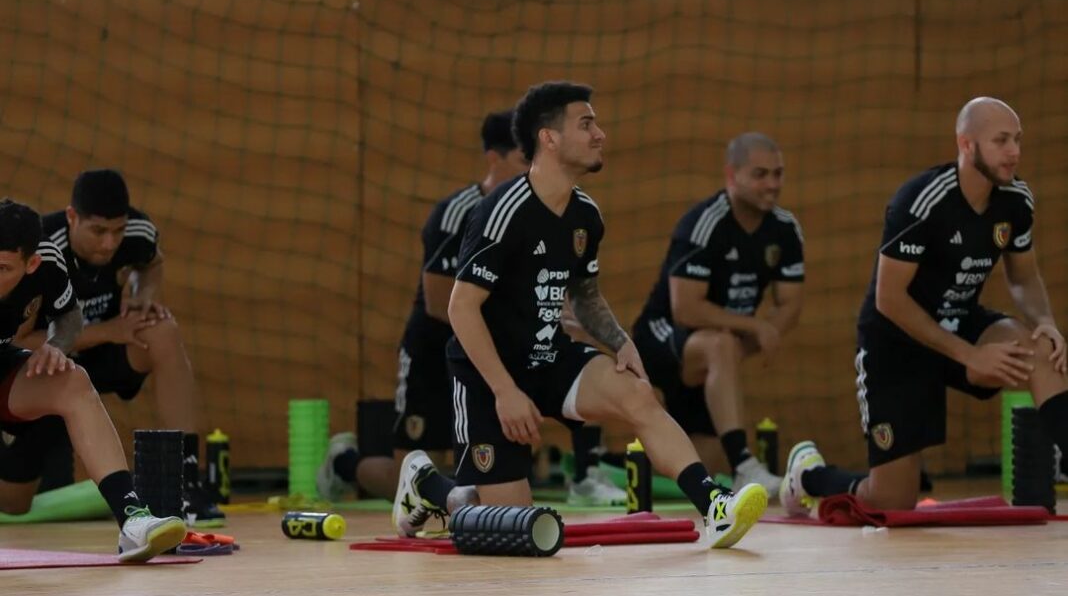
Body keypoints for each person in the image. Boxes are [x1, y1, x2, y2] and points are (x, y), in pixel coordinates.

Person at [391, 81, 767, 549]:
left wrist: (621, 342)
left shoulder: (586, 215)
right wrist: (505, 392)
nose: (600, 134)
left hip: (550, 357)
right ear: (549, 138)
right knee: (515, 529)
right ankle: (430, 487)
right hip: (489, 377)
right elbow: (460, 307)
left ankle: (714, 506)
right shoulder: (501, 212)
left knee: (638, 395)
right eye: (586, 124)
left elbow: (585, 294)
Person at [317, 110, 625, 507]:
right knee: (413, 465)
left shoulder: (546, 210)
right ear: (494, 159)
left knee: (576, 362)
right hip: (435, 346)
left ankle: (585, 473)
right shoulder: (459, 210)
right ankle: (344, 463)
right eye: (521, 159)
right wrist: (512, 324)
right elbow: (437, 299)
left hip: (496, 349)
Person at [781, 97, 1068, 515]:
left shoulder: (1016, 199)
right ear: (967, 145)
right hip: (897, 341)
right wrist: (970, 355)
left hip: (959, 321)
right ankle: (807, 477)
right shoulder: (921, 201)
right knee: (892, 502)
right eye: (1002, 140)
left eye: (1018, 140)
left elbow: (1023, 277)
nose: (1015, 152)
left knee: (1043, 349)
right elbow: (889, 299)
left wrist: (1046, 322)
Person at [17, 169, 221, 523]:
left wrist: (143, 296)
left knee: (162, 330)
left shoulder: (138, 232)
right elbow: (22, 342)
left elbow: (152, 263)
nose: (110, 243)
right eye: (98, 231)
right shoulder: (40, 252)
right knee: (24, 502)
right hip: (49, 369)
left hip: (110, 353)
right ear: (71, 217)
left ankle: (187, 479)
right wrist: (110, 330)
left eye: (117, 231)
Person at [0, 198, 185, 561]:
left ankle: (133, 520)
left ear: (31, 263)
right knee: (12, 500)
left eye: (2, 267)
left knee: (73, 381)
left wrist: (57, 345)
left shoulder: (49, 262)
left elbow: (68, 318)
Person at [631, 133, 803, 496]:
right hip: (660, 338)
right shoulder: (705, 223)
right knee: (721, 343)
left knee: (703, 465)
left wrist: (746, 346)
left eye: (778, 173)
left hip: (714, 350)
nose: (772, 184)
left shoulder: (785, 229)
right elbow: (685, 308)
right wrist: (753, 326)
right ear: (731, 175)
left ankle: (620, 464)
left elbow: (790, 305)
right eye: (760, 174)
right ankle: (746, 467)